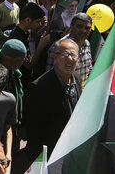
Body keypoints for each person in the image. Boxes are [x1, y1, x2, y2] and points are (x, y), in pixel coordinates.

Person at [22, 38, 82, 169]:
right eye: (65, 55)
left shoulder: (76, 78)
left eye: (73, 55)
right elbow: (34, 129)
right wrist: (37, 161)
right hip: (51, 153)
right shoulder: (39, 87)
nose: (70, 59)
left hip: (72, 150)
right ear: (55, 57)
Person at [46, 12, 93, 88]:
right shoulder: (59, 46)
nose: (83, 30)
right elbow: (50, 74)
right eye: (79, 26)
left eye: (87, 28)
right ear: (71, 26)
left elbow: (88, 68)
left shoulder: (87, 43)